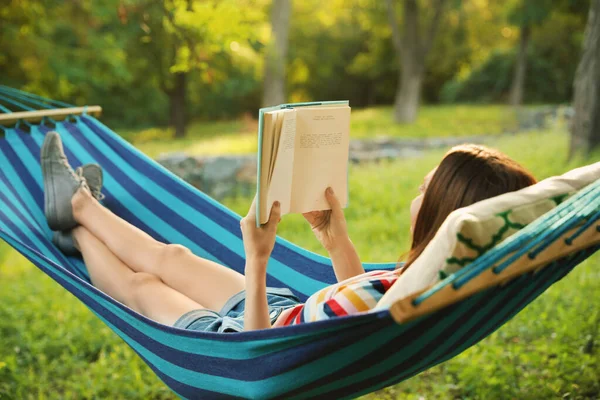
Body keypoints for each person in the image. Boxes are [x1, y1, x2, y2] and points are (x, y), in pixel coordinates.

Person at [41, 132, 536, 332]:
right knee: (172, 256)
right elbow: (363, 308)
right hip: (277, 315)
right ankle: (80, 207)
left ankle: (78, 224)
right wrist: (336, 242)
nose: (417, 190)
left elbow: (256, 358)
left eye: (425, 188)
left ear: (444, 212)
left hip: (239, 338)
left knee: (144, 286)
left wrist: (256, 259)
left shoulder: (427, 283)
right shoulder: (436, 277)